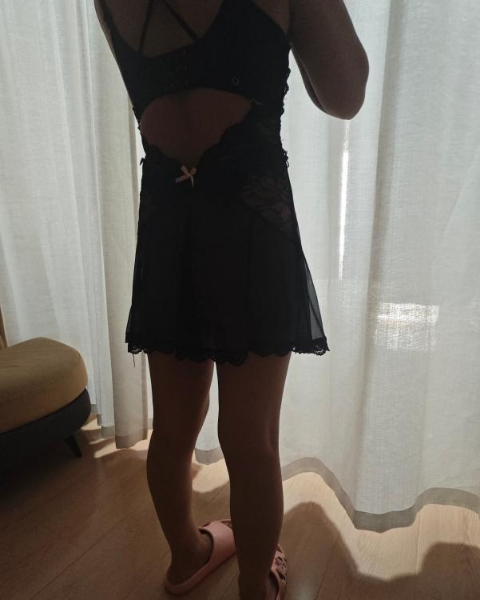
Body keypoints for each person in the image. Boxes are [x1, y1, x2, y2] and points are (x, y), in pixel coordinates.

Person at [94, 1, 368, 598]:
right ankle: (254, 587)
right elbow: (345, 93)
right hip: (250, 219)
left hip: (168, 224)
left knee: (172, 428)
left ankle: (185, 558)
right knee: (250, 438)